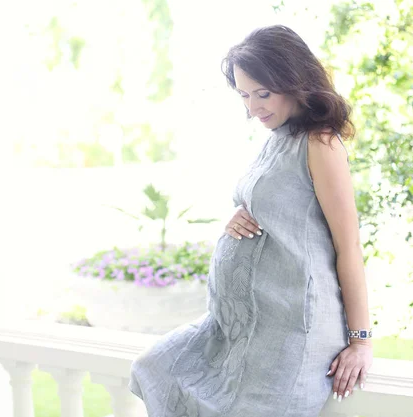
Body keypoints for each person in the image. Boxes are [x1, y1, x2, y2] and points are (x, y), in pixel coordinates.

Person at [129, 24, 373, 416]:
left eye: (263, 93)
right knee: (154, 367)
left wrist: (360, 342)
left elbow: (349, 245)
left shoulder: (320, 143)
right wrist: (240, 218)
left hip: (290, 331)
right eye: (244, 95)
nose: (253, 107)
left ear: (295, 82)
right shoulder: (277, 136)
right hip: (239, 327)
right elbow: (281, 205)